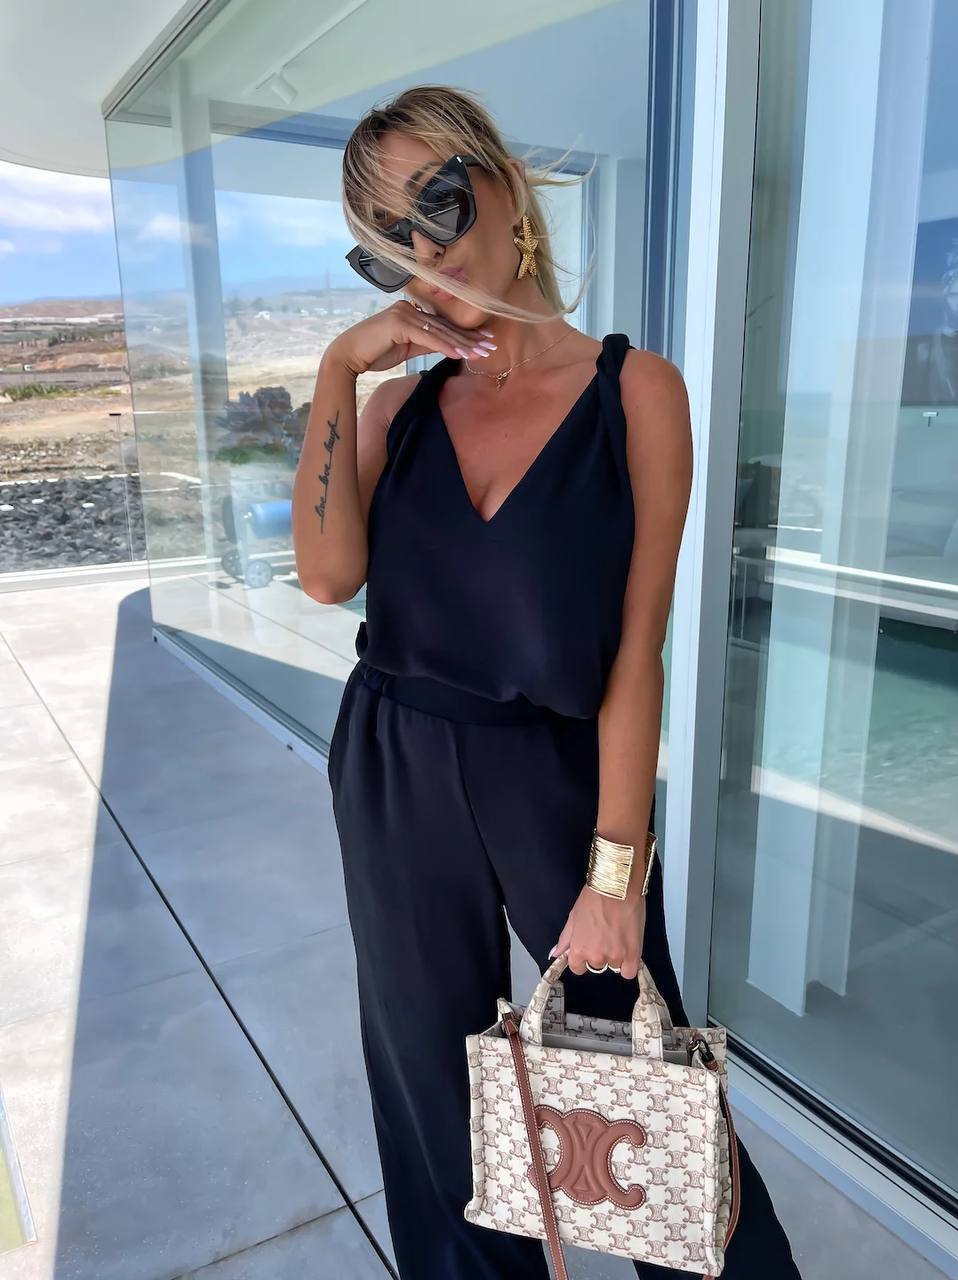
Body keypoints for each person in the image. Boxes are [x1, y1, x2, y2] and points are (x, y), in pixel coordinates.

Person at [292, 84, 802, 1280]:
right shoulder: (399, 410)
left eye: (438, 201)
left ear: (507, 185)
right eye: (387, 239)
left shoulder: (636, 391)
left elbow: (636, 649)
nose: (424, 248)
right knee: (432, 1092)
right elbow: (326, 576)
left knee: (649, 1110)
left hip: (555, 775)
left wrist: (616, 874)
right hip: (393, 761)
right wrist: (338, 365)